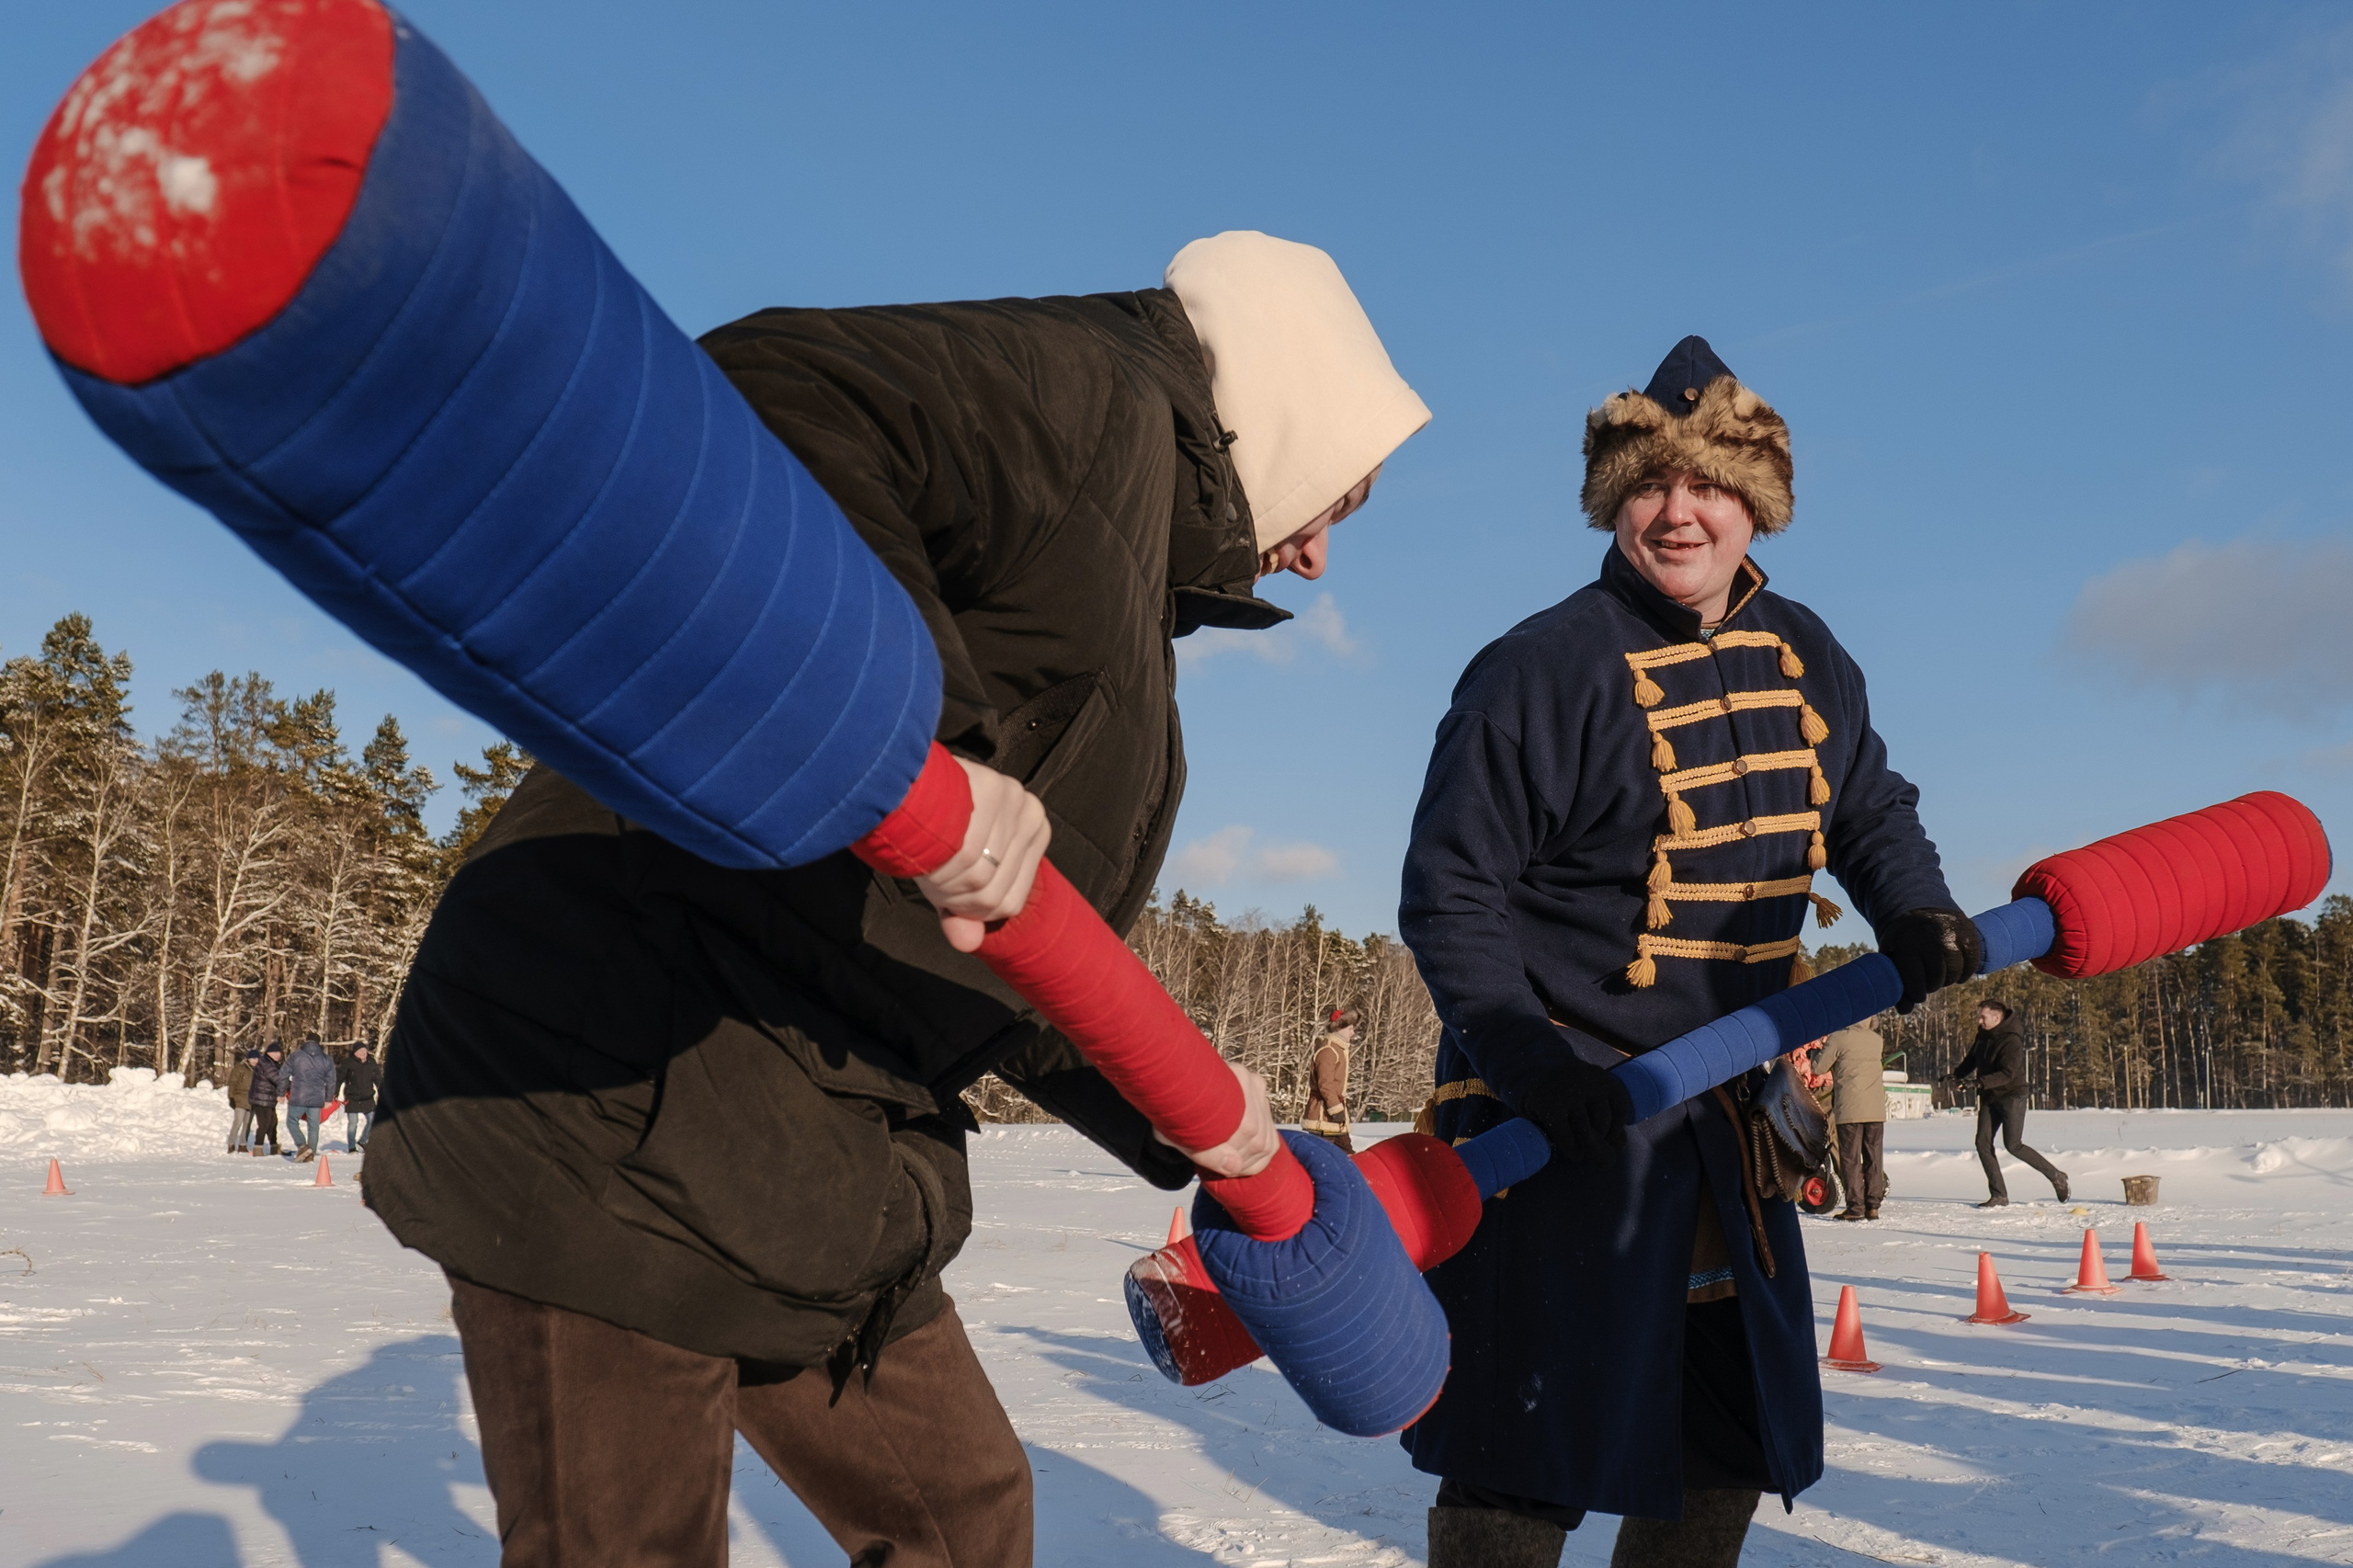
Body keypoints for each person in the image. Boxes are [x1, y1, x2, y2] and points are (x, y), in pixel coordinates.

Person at [360, 231, 1429, 1568]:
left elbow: (1002, 937)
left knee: (963, 1520)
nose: (1319, 557)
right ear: (1286, 412)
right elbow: (775, 393)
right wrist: (928, 741)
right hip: (612, 1083)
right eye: (1338, 501)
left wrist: (1186, 1106)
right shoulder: (1088, 399)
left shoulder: (1118, 592)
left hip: (810, 1146)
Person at [1399, 335, 1978, 1567]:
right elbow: (1451, 891)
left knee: (1721, 1443)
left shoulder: (1811, 652)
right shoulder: (1536, 667)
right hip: (1561, 1113)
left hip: (1727, 1122)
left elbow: (1867, 805)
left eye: (1710, 485)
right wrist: (1524, 1058)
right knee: (1521, 1453)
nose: (1679, 512)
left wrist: (1914, 906)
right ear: (1613, 503)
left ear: (1755, 504)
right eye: (1650, 485)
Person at [1948, 1000, 2067, 1207]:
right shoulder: (1983, 1035)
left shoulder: (2011, 1040)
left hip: (2012, 1096)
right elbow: (1972, 1059)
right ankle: (1999, 1195)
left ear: (1997, 1017)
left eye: (1983, 1017)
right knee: (1982, 1143)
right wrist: (1956, 1075)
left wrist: (1978, 1083)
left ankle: (2056, 1176)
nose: (1979, 1021)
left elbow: (2007, 1074)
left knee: (2013, 1145)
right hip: (1989, 1096)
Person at [1812, 1023, 1888, 1221]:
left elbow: (1818, 1068)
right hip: (1875, 1110)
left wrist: (1815, 1053)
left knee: (1850, 1159)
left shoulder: (1838, 1038)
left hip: (1850, 1110)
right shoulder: (1876, 1040)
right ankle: (1873, 1206)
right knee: (1874, 1158)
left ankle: (1855, 1208)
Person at [1300, 1006, 1359, 1153]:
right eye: (1350, 1029)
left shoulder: (1338, 1049)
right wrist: (1335, 1110)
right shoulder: (1328, 1050)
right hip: (1323, 1117)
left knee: (1347, 1156)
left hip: (1333, 1117)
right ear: (1339, 1028)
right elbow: (1325, 1085)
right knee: (1322, 1157)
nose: (1353, 1033)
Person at [282, 1035, 336, 1164]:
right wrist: (329, 1098)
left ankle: (302, 1146)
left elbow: (283, 1074)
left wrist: (281, 1091)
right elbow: (331, 1080)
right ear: (319, 1042)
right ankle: (310, 1154)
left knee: (292, 1121)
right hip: (317, 1098)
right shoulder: (326, 1059)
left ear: (306, 1041)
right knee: (313, 1127)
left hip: (298, 1096)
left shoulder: (296, 1056)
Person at [338, 1042, 381, 1153]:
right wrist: (334, 1093)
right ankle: (352, 1147)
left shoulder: (371, 1063)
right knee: (353, 1123)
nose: (363, 1053)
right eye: (360, 1051)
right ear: (355, 1052)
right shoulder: (348, 1063)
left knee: (372, 1120)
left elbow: (378, 1079)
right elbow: (339, 1078)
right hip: (352, 1098)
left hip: (368, 1098)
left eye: (365, 1050)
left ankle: (362, 1141)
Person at [247, 1042, 286, 1158]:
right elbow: (278, 1079)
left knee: (273, 1122)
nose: (279, 1055)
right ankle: (258, 1148)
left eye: (279, 1052)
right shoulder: (266, 1063)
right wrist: (295, 1085)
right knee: (264, 1124)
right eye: (276, 1052)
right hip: (261, 1099)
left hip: (268, 1099)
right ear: (270, 1053)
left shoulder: (272, 1063)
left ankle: (274, 1147)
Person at [224, 1049, 258, 1155]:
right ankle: (231, 1143)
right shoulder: (240, 1068)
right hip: (239, 1098)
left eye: (257, 1059)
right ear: (248, 1059)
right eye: (253, 1059)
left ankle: (243, 1144)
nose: (255, 1061)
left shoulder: (258, 1071)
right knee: (238, 1122)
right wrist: (231, 1097)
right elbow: (232, 1083)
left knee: (247, 1124)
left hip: (252, 1100)